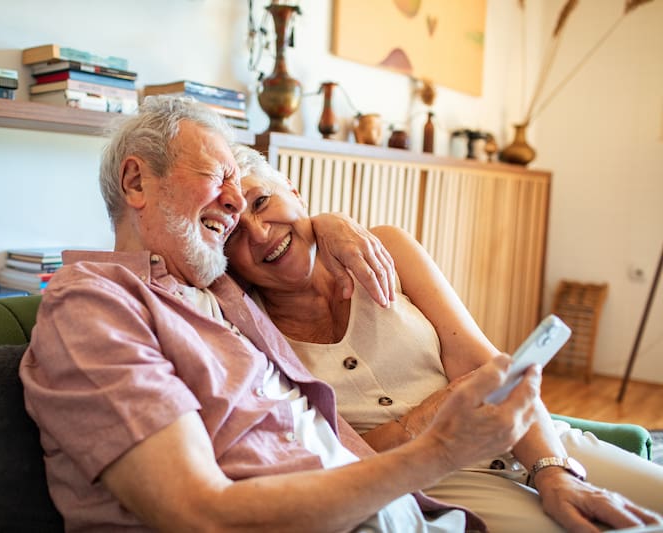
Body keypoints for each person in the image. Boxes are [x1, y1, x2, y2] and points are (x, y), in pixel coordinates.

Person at [18, 95, 558, 532]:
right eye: (217, 176)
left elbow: (281, 239)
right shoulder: (96, 305)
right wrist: (440, 449)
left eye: (243, 186)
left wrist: (327, 224)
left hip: (407, 510)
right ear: (136, 182)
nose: (234, 206)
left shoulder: (223, 293)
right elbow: (197, 513)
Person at [224, 143, 663, 533]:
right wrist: (424, 420)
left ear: (295, 193)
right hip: (442, 482)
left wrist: (554, 472)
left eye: (262, 202)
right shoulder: (250, 333)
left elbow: (481, 363)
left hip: (533, 435)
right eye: (234, 233)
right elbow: (335, 457)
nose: (260, 233)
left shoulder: (387, 247)